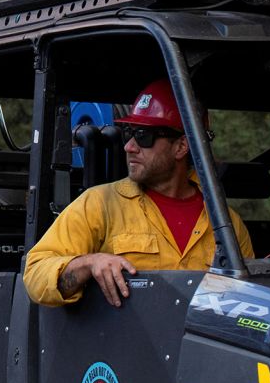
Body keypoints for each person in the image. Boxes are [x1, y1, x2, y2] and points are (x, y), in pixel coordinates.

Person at [24, 79, 253, 307]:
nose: (129, 146)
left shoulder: (225, 223)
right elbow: (35, 274)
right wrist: (89, 263)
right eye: (128, 133)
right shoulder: (98, 204)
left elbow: (251, 296)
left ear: (181, 146)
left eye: (144, 136)